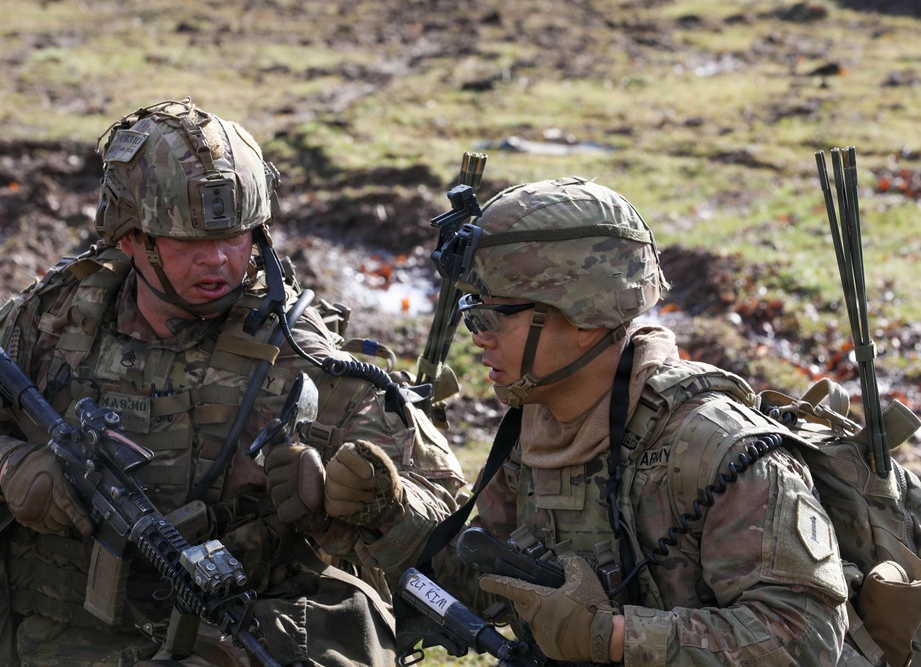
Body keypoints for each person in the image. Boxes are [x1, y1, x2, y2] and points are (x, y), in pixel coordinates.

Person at [0, 97, 464, 667]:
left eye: (237, 237)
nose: (220, 261)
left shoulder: (302, 352)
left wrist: (372, 501)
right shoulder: (53, 319)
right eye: (191, 243)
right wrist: (10, 472)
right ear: (130, 238)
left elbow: (449, 539)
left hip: (238, 637)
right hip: (57, 639)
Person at [324, 177, 851, 664]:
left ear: (583, 317)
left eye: (492, 316)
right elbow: (493, 587)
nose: (477, 336)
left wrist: (614, 636)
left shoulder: (717, 448)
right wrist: (390, 515)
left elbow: (807, 633)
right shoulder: (536, 428)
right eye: (471, 312)